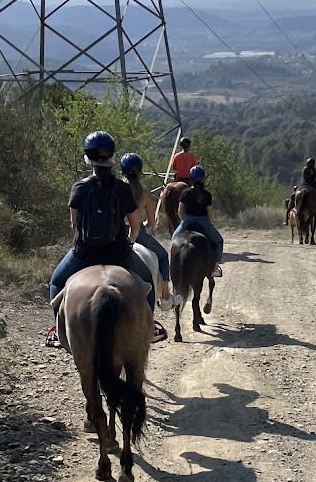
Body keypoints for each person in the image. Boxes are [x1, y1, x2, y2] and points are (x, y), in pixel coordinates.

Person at [47, 131, 165, 344]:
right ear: (111, 156)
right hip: (118, 253)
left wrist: (82, 244)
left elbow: (74, 225)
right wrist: (128, 244)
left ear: (88, 157)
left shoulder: (79, 187)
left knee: (56, 283)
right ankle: (149, 327)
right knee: (147, 281)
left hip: (84, 253)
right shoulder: (123, 188)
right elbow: (135, 226)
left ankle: (58, 329)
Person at [119, 152, 171, 302]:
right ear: (141, 171)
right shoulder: (146, 194)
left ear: (122, 171)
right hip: (138, 233)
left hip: (118, 232)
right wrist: (144, 226)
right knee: (163, 256)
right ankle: (166, 296)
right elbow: (151, 223)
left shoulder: (118, 189)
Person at [171, 164, 224, 275]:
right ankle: (215, 267)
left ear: (191, 178)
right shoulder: (207, 195)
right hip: (203, 220)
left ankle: (173, 265)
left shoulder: (185, 193)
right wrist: (208, 222)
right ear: (203, 178)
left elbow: (180, 211)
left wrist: (184, 220)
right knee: (219, 241)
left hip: (188, 220)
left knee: (174, 239)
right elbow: (209, 212)